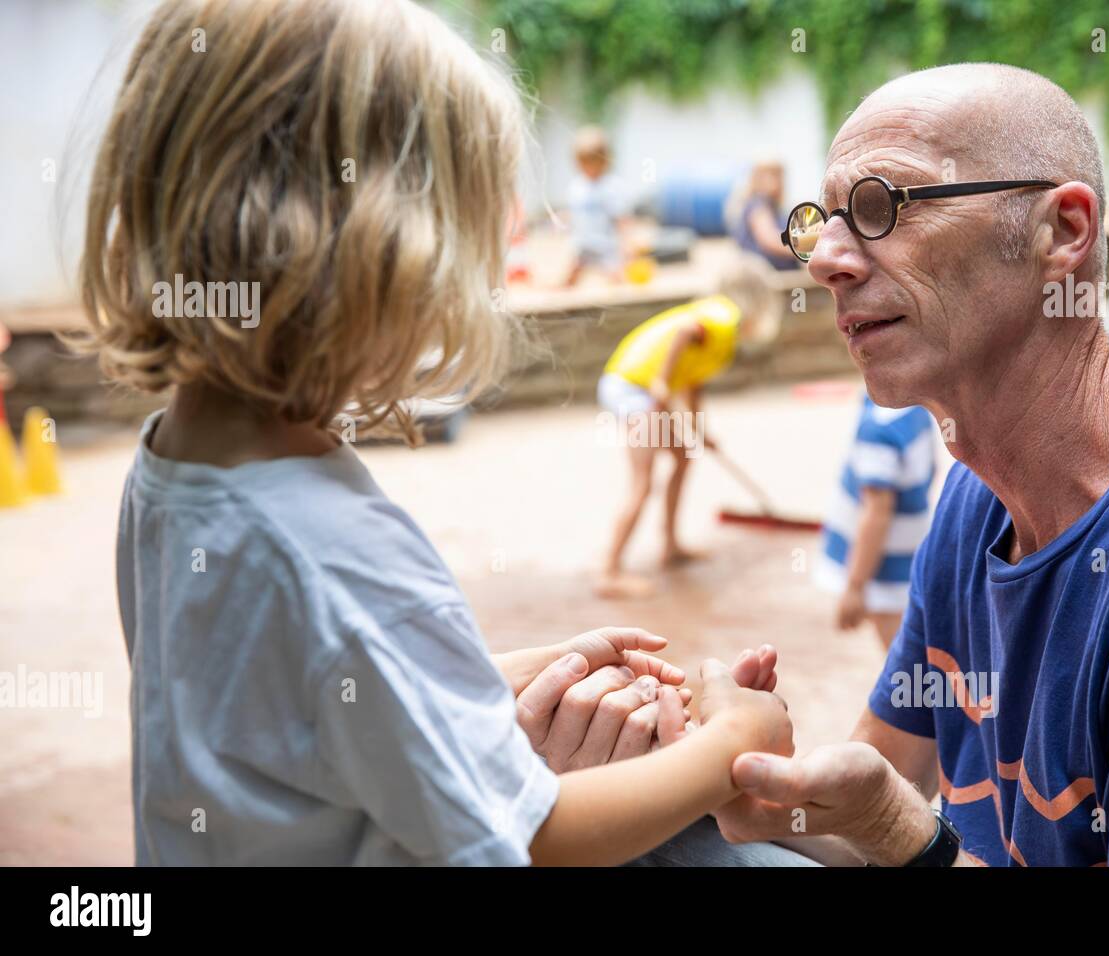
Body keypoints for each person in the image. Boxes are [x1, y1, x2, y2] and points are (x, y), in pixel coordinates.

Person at [80, 0, 795, 866]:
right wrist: (726, 750)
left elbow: (308, 699)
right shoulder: (335, 550)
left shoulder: (174, 463)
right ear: (378, 256)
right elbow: (535, 838)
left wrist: (523, 669)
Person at [711, 63, 1109, 866]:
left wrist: (899, 830)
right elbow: (879, 789)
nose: (827, 261)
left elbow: (899, 823)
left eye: (884, 207)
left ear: (1063, 231)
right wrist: (729, 773)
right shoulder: (977, 499)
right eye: (826, 219)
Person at [595, 255, 779, 598]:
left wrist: (700, 432)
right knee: (642, 483)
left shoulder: (721, 339)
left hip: (637, 388)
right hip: (632, 388)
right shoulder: (724, 313)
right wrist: (662, 382)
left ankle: (670, 545)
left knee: (683, 456)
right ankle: (609, 571)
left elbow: (693, 386)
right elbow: (684, 332)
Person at [815, 394, 934, 646]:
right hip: (909, 548)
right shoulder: (914, 403)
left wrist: (856, 586)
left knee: (902, 659)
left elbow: (877, 512)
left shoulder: (877, 430)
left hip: (884, 568)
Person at [564, 126, 631, 286]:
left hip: (605, 244)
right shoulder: (577, 186)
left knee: (615, 276)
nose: (589, 168)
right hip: (583, 243)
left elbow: (620, 217)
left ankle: (622, 300)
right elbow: (575, 213)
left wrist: (627, 243)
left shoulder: (610, 186)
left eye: (593, 163)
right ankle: (567, 304)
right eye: (584, 163)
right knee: (572, 274)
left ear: (604, 162)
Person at [725, 158, 802, 270]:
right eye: (772, 175)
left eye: (780, 175)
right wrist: (801, 250)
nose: (779, 181)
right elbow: (769, 240)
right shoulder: (758, 205)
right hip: (767, 272)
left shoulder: (774, 207)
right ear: (757, 179)